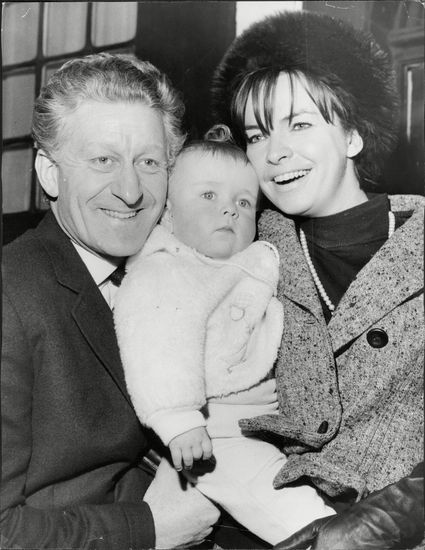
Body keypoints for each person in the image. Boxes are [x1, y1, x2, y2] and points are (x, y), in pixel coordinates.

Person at [211, 11, 424, 550]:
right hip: (274, 522)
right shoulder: (248, 247)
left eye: (300, 124)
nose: (276, 152)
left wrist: (391, 519)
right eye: (257, 135)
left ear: (352, 134)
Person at [1, 52, 221, 549]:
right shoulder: (11, 297)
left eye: (148, 163)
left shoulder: (175, 273)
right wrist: (148, 530)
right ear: (49, 173)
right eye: (103, 160)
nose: (130, 191)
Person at [113, 131, 336, 545]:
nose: (230, 211)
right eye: (208, 197)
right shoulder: (165, 270)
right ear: (166, 211)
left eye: (243, 202)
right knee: (295, 512)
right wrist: (179, 420)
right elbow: (156, 348)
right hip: (215, 430)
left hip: (251, 424)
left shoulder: (245, 262)